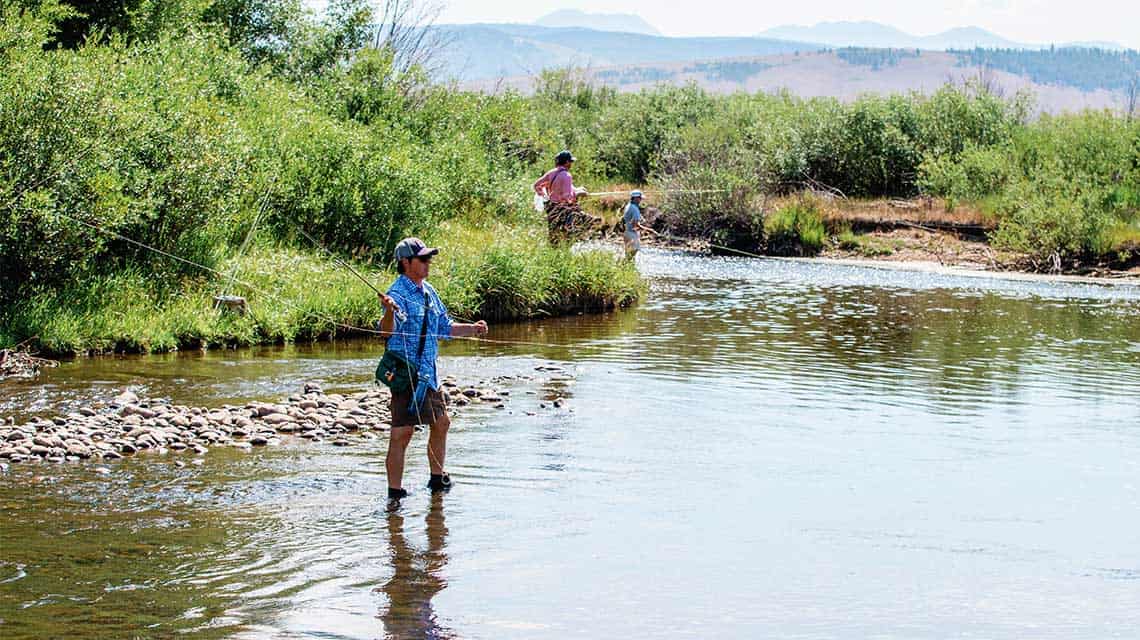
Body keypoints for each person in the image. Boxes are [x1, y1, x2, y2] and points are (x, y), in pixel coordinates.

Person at [377, 237, 489, 506]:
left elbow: (444, 327)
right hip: (406, 373)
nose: (428, 263)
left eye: (429, 258)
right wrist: (390, 311)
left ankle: (436, 479)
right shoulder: (397, 293)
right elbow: (385, 332)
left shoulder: (429, 291)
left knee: (441, 423)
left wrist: (472, 329)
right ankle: (395, 493)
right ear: (406, 262)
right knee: (402, 433)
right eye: (423, 259)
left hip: (428, 373)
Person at [533, 150, 595, 244]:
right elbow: (567, 197)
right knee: (585, 222)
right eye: (570, 161)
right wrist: (579, 194)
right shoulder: (566, 176)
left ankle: (554, 253)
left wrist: (544, 196)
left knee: (553, 235)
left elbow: (536, 185)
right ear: (566, 162)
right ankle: (570, 245)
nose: (571, 164)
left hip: (551, 208)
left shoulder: (552, 172)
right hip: (564, 209)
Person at [621, 190, 648, 260]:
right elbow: (634, 224)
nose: (641, 200)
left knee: (628, 254)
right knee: (633, 251)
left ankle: (625, 268)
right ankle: (623, 265)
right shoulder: (634, 208)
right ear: (636, 198)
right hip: (631, 234)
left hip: (627, 232)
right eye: (640, 198)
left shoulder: (628, 206)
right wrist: (646, 229)